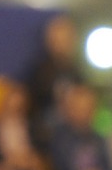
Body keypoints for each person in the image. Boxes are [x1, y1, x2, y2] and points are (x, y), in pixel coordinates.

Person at [51, 84, 112, 170]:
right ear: (69, 109)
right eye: (79, 107)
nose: (83, 112)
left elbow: (108, 167)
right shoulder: (59, 137)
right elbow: (59, 169)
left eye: (87, 107)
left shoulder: (99, 138)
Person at [26, 14, 83, 145]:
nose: (61, 44)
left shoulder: (77, 73)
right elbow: (32, 108)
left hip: (74, 135)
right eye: (57, 39)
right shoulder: (39, 72)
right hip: (46, 134)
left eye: (65, 39)